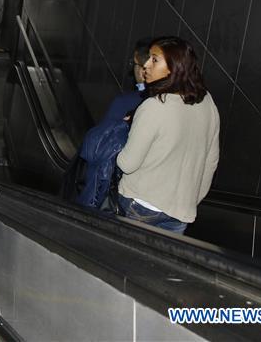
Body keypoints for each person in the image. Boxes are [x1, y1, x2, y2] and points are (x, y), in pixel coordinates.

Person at [116, 36, 219, 234]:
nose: (145, 65)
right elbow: (211, 161)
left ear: (173, 67)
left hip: (140, 205)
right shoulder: (207, 103)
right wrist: (191, 199)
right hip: (180, 211)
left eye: (154, 60)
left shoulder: (154, 106)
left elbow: (127, 163)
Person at [68, 38, 153, 207]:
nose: (133, 69)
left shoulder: (125, 103)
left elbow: (98, 150)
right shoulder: (175, 104)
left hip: (123, 193)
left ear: (145, 68)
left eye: (134, 63)